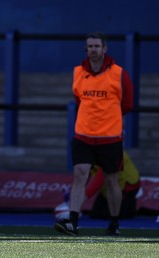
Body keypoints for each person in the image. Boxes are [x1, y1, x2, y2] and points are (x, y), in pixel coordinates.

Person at [54, 32, 134, 236]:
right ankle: (72, 221)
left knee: (111, 180)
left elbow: (128, 104)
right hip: (83, 135)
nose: (93, 50)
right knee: (80, 175)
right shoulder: (78, 73)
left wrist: (109, 120)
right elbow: (79, 99)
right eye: (90, 46)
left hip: (110, 137)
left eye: (97, 46)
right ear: (86, 49)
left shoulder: (119, 73)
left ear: (105, 49)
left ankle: (114, 223)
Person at [54, 151, 141, 221]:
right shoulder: (91, 156)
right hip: (108, 187)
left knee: (114, 214)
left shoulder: (107, 154)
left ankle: (127, 210)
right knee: (96, 214)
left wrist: (80, 199)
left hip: (127, 185)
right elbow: (86, 176)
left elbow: (99, 180)